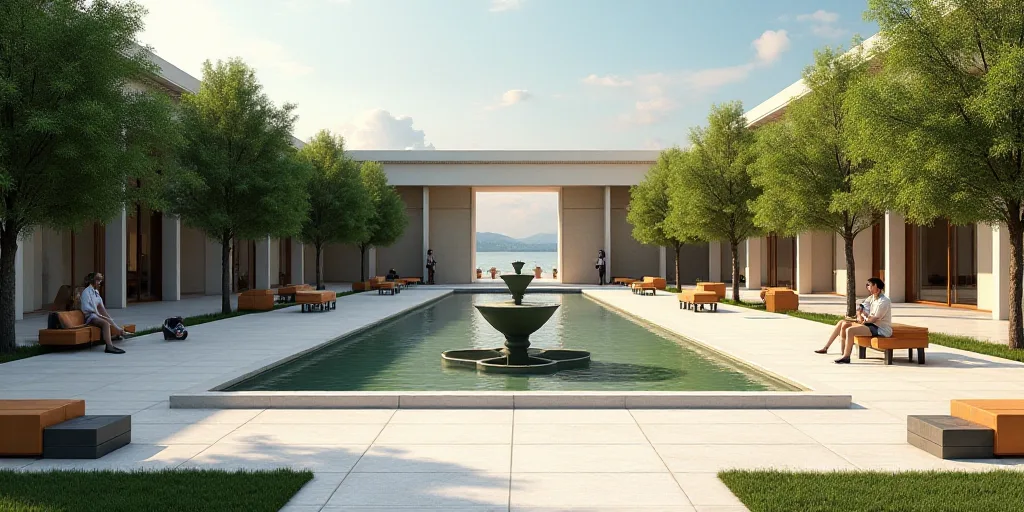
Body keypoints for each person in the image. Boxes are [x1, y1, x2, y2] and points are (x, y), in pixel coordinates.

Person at [816, 277, 893, 364]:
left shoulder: (884, 301)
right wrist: (860, 316)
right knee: (842, 323)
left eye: (869, 285)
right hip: (869, 324)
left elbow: (874, 319)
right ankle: (829, 349)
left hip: (879, 329)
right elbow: (860, 307)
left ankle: (846, 356)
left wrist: (864, 321)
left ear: (876, 286)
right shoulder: (872, 298)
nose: (868, 288)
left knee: (850, 330)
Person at [80, 272, 127, 354]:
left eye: (100, 280)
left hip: (96, 316)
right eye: (98, 280)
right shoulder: (86, 292)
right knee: (105, 324)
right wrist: (97, 313)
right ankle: (109, 346)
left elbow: (103, 311)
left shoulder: (96, 293)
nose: (99, 283)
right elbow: (85, 308)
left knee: (107, 320)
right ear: (92, 281)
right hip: (90, 317)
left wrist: (117, 328)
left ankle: (114, 338)